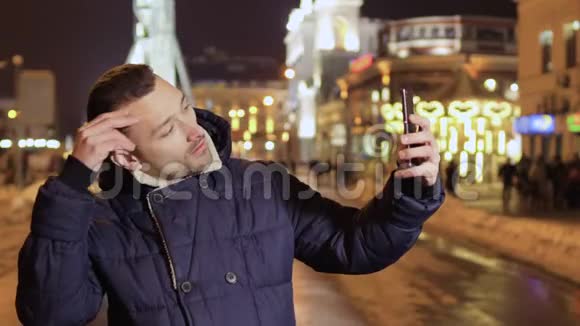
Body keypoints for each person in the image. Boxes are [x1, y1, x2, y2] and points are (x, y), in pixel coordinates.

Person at [15, 64, 444, 326]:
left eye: (184, 107)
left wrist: (412, 189)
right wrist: (70, 188)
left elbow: (355, 245)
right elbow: (54, 315)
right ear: (125, 157)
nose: (193, 129)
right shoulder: (99, 222)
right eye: (167, 129)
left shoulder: (262, 185)